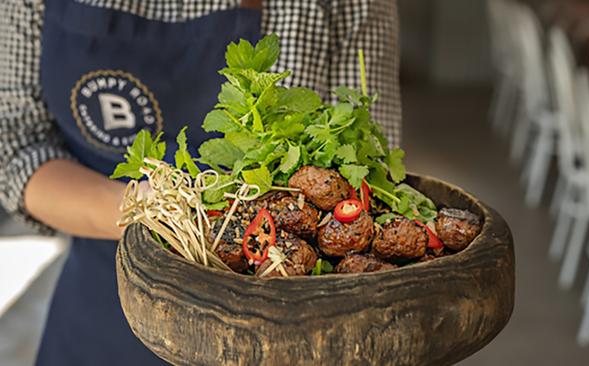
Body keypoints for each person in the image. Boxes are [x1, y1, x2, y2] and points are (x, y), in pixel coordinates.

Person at [0, 0, 401, 364]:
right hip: (101, 311)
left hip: (279, 331)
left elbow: (367, 168)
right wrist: (159, 208)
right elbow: (15, 146)